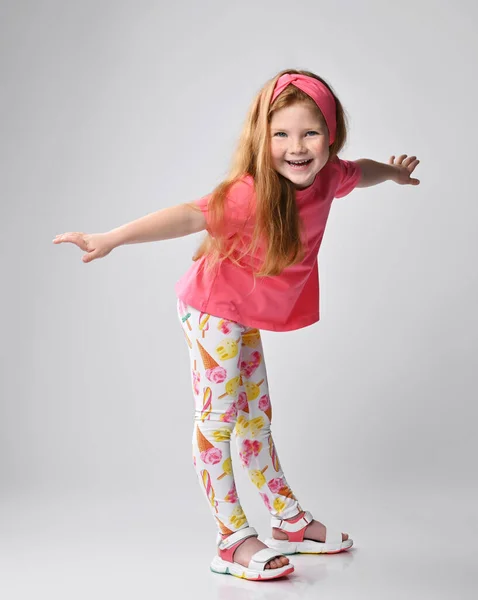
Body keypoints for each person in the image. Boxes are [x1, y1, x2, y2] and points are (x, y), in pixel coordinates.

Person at [53, 69, 420, 581]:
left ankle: (287, 520)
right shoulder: (249, 193)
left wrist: (395, 173)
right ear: (261, 138)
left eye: (310, 133)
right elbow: (189, 215)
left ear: (330, 136)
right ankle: (231, 539)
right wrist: (112, 237)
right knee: (220, 417)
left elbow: (363, 170)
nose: (296, 147)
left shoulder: (331, 176)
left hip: (242, 312)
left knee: (256, 415)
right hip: (210, 309)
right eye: (281, 135)